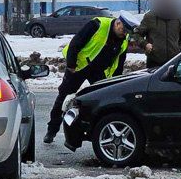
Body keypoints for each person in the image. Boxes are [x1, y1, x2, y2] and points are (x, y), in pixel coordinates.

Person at [44, 11, 139, 143]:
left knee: (104, 99)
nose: (124, 34)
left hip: (98, 71)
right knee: (64, 97)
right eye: (123, 30)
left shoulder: (123, 40)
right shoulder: (97, 25)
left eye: (127, 32)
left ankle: (102, 132)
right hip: (78, 67)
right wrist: (71, 65)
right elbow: (76, 42)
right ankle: (51, 130)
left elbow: (119, 63)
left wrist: (116, 81)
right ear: (117, 23)